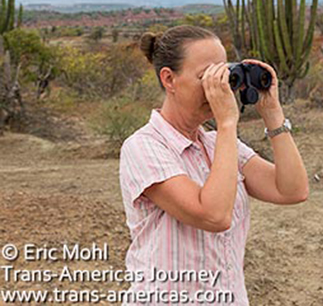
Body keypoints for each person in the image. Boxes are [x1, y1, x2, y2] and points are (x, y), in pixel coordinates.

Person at [119, 25, 308, 305]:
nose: (217, 87)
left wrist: (272, 113)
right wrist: (227, 122)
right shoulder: (144, 147)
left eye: (223, 75)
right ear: (169, 79)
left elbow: (291, 190)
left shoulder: (215, 143)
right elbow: (214, 216)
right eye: (205, 77)